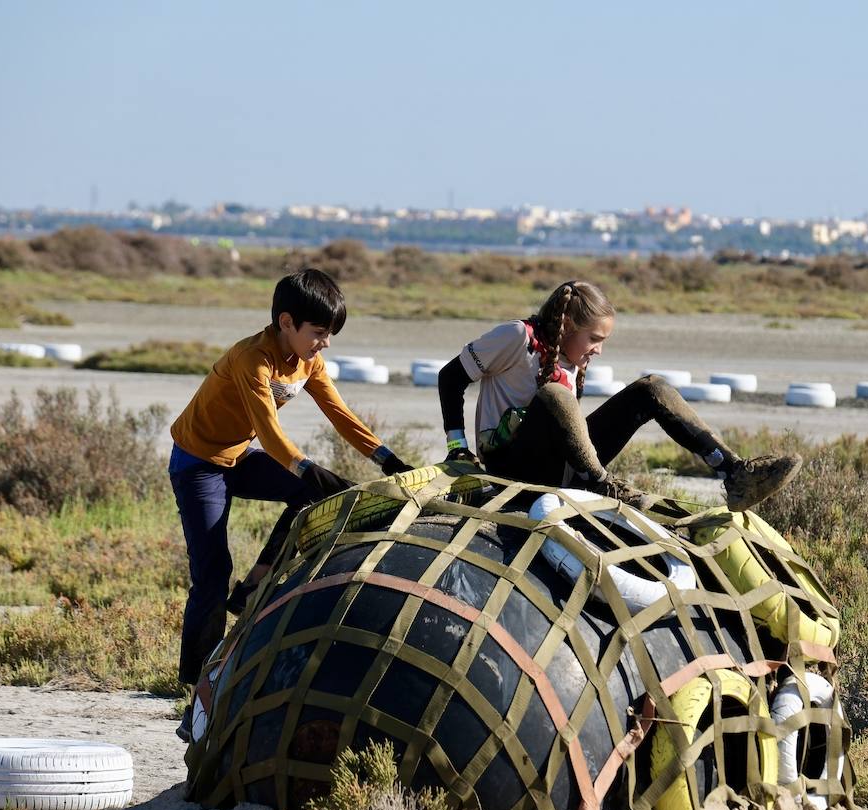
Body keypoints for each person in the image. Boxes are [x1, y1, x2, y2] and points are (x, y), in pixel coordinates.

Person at [169, 268, 412, 696]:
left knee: (308, 493)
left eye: (330, 334)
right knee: (212, 572)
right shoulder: (252, 358)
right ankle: (193, 681)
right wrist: (308, 468)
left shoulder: (309, 361)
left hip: (238, 456)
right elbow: (269, 432)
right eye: (319, 332)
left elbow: (341, 414)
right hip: (198, 464)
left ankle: (255, 585)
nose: (325, 343)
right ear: (286, 322)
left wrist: (387, 459)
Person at [437, 279, 801, 510]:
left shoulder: (571, 357)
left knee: (650, 388)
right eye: (594, 339)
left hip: (560, 467)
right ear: (567, 326)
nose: (598, 350)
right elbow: (450, 377)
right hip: (512, 468)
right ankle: (603, 487)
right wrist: (458, 448)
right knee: (554, 397)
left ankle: (736, 474)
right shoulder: (517, 337)